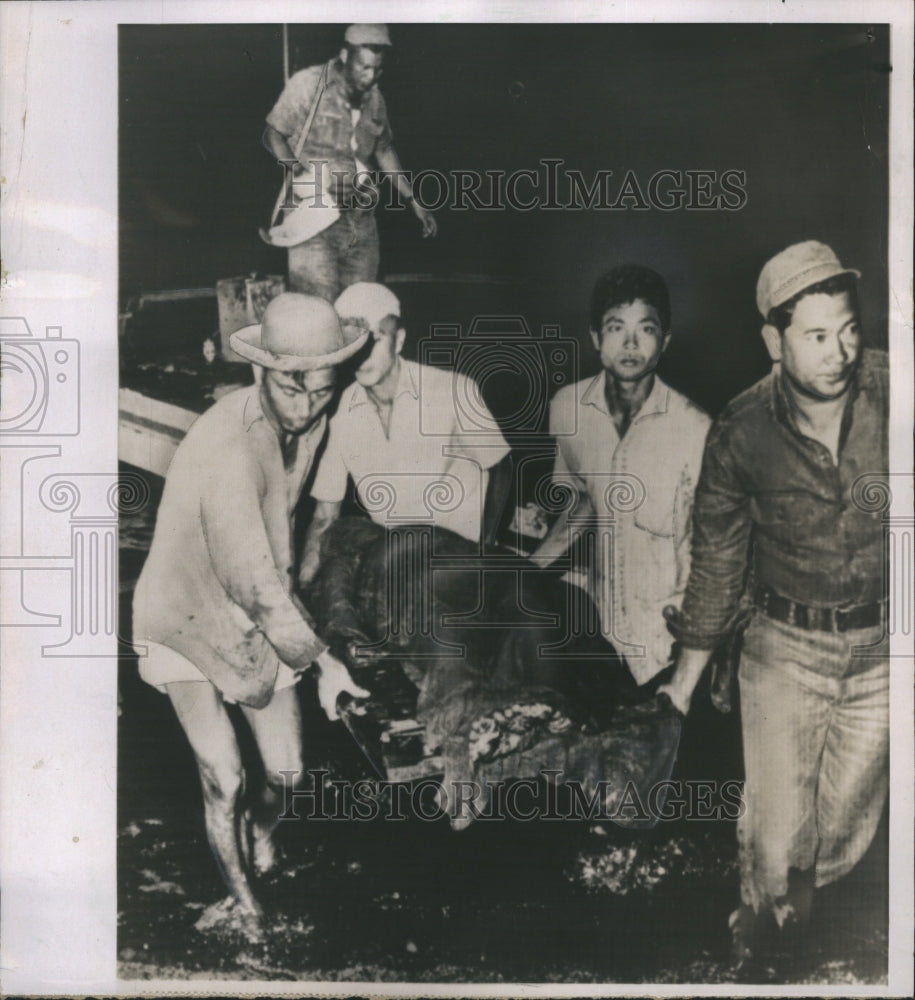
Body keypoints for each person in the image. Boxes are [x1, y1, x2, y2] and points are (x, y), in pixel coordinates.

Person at [659, 241, 889, 971]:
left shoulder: (896, 390)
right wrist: (679, 689)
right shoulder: (740, 431)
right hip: (785, 648)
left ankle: (787, 906)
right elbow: (717, 567)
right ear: (773, 340)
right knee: (778, 832)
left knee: (843, 824)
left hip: (883, 647)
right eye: (816, 336)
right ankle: (762, 940)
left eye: (848, 328)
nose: (840, 351)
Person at [132, 293, 370, 938]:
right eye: (295, 390)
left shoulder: (311, 412)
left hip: (254, 615)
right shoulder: (228, 449)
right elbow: (254, 580)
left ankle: (260, 838)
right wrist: (323, 662)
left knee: (288, 773)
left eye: (323, 388)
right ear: (263, 372)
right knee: (225, 778)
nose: (309, 404)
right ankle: (245, 904)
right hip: (184, 615)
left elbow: (280, 550)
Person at [530, 264, 711, 688]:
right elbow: (584, 502)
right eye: (615, 327)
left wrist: (694, 652)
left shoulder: (696, 428)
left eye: (646, 329)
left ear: (665, 340)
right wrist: (523, 573)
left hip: (667, 644)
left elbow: (703, 547)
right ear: (595, 336)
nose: (630, 343)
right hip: (599, 637)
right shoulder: (567, 407)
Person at [298, 281, 512, 588]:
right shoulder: (343, 411)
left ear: (398, 341)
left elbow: (501, 466)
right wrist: (302, 591)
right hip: (400, 566)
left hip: (460, 560)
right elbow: (324, 514)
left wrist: (487, 549)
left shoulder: (452, 390)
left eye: (375, 338)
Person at [263, 23, 437, 301]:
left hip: (361, 223)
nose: (370, 77)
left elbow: (384, 149)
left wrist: (413, 199)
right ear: (346, 56)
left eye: (377, 69)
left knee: (358, 313)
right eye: (363, 67)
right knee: (317, 316)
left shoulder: (375, 98)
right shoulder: (308, 84)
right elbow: (273, 135)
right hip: (313, 221)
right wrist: (306, 177)